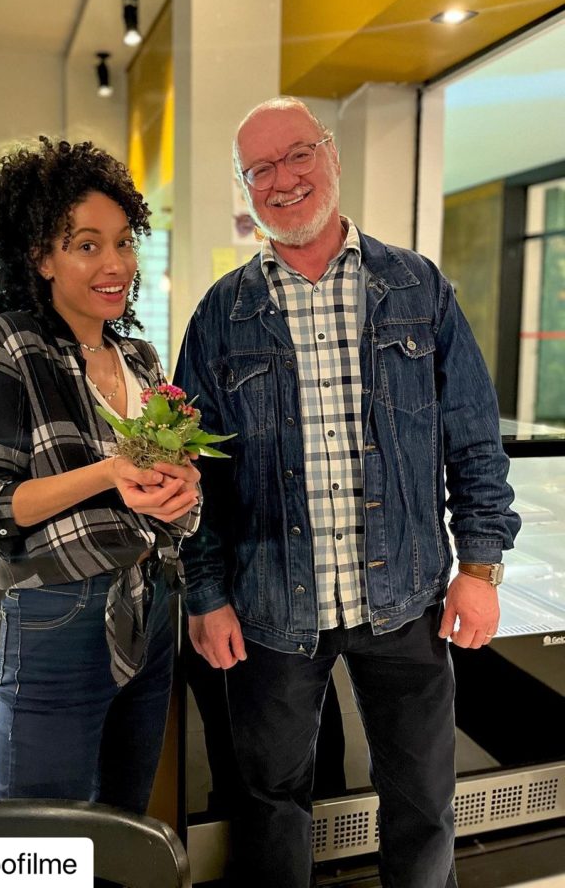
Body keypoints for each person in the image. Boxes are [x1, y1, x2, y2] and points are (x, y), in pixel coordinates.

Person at [173, 98, 520, 888]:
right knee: (269, 801)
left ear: (330, 156)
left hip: (406, 598)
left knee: (423, 799)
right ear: (245, 188)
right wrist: (206, 593)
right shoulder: (220, 316)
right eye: (260, 169)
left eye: (296, 155)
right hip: (269, 607)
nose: (282, 180)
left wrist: (480, 567)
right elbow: (201, 478)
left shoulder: (418, 287)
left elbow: (472, 437)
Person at [0, 137, 200, 813]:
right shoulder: (8, 346)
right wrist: (109, 474)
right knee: (43, 837)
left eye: (123, 242)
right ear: (41, 256)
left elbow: (163, 493)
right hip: (58, 615)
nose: (114, 264)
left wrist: (184, 494)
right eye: (86, 244)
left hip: (152, 605)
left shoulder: (141, 359)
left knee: (123, 823)